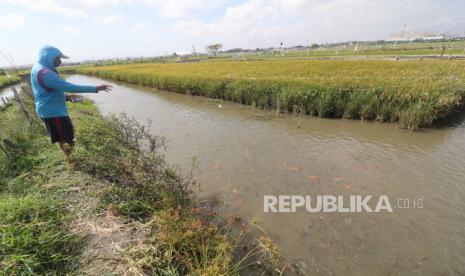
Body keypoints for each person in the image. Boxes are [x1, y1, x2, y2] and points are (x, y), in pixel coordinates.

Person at [31, 45, 112, 162]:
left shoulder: (39, 68)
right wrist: (95, 88)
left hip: (52, 109)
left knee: (65, 136)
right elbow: (68, 86)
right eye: (57, 58)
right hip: (53, 112)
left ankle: (71, 159)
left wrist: (66, 98)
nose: (60, 61)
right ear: (48, 57)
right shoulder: (44, 73)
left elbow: (45, 91)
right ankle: (72, 161)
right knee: (66, 137)